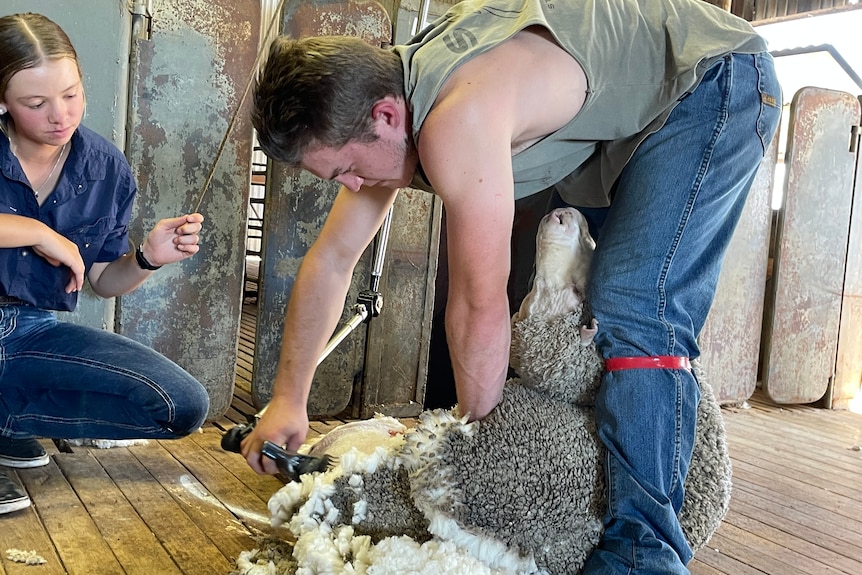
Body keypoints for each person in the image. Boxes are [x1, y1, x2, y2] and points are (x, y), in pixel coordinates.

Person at [242, 0, 782, 572]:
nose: (350, 185)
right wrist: (288, 400)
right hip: (629, 124)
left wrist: (472, 455)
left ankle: (645, 550)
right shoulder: (389, 111)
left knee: (634, 305)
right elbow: (330, 262)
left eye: (345, 169)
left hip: (710, 79)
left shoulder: (458, 116)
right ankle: (588, 506)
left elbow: (478, 303)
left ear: (385, 116)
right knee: (592, 314)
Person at [0, 13, 210, 516]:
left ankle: (7, 420)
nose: (60, 115)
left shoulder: (104, 167)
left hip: (31, 333)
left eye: (71, 94)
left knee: (182, 404)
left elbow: (103, 281)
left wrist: (146, 258)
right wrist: (40, 232)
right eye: (36, 103)